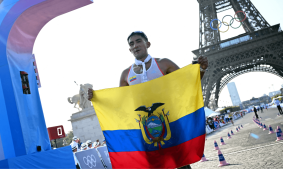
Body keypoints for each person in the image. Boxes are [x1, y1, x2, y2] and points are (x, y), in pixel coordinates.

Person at [88, 31, 208, 169]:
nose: (135, 45)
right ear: (129, 49)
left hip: (170, 122)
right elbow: (120, 103)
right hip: (144, 128)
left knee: (180, 163)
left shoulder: (163, 64)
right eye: (131, 44)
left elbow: (187, 84)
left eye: (138, 41)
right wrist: (96, 99)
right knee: (154, 165)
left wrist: (202, 69)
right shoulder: (126, 74)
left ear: (148, 44)